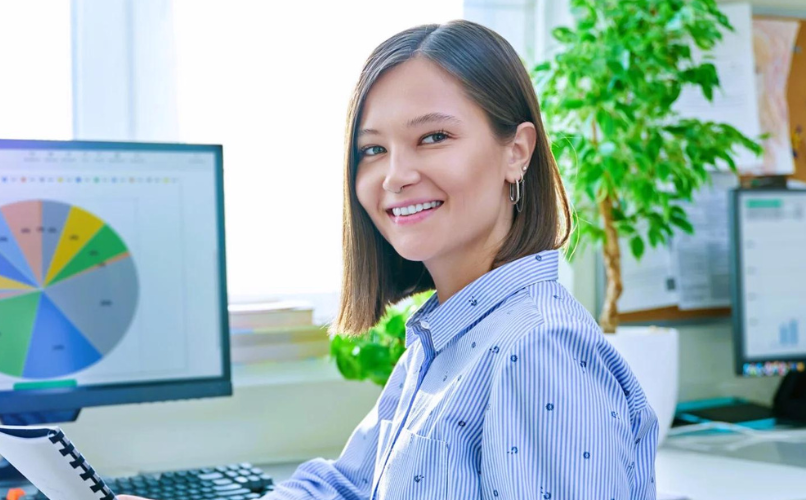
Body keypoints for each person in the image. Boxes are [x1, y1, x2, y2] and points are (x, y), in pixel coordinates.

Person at [124, 19, 658, 500]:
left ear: (516, 152)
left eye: (433, 137)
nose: (394, 175)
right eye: (373, 150)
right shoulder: (447, 338)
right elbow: (346, 487)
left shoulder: (536, 348)